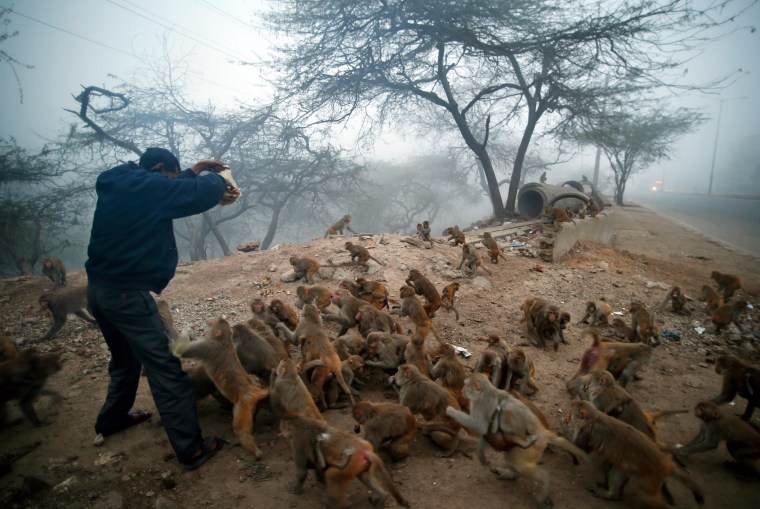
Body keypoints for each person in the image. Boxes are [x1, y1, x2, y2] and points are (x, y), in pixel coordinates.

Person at [85, 147, 239, 470]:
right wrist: (218, 179)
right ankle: (191, 448)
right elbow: (192, 194)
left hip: (99, 290)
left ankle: (111, 419)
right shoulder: (146, 187)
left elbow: (165, 188)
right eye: (170, 176)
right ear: (158, 168)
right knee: (166, 369)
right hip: (127, 295)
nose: (170, 184)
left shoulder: (125, 181)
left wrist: (193, 169)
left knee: (125, 359)